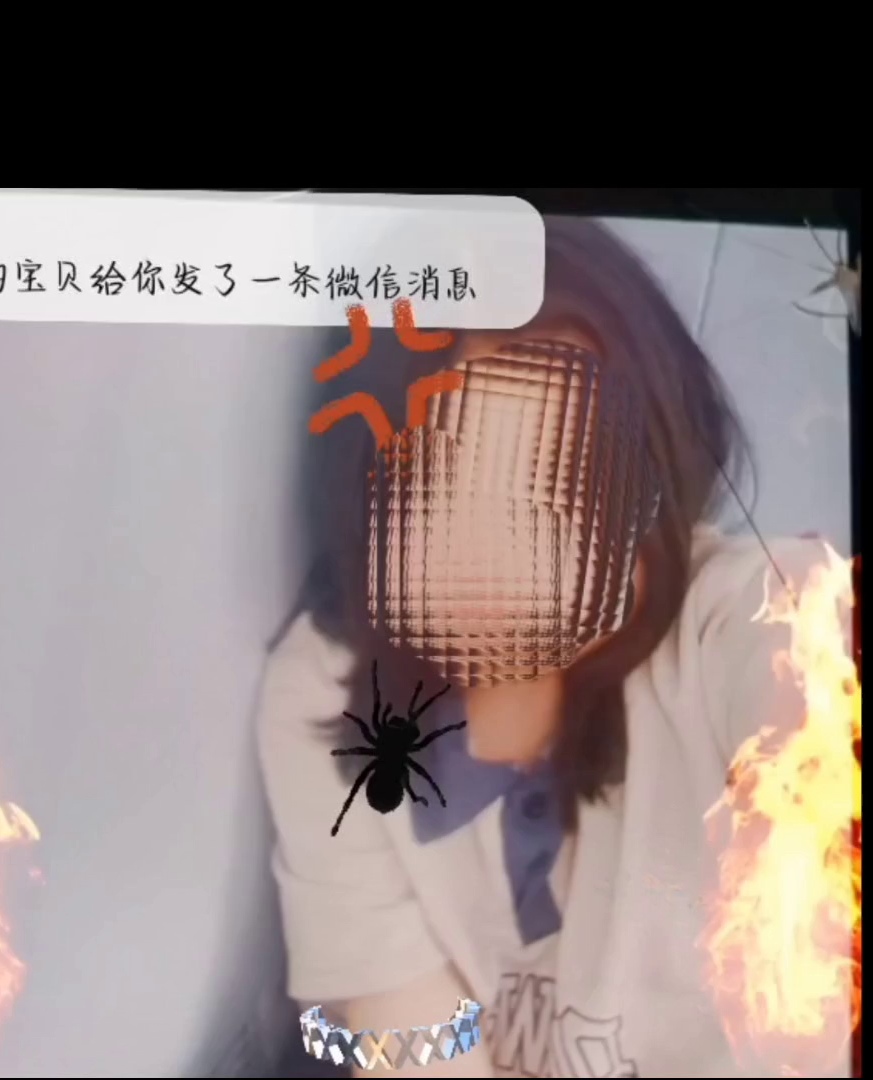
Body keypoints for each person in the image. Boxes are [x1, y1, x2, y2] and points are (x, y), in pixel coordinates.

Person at [258, 217, 846, 1078]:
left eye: (573, 487)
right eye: (449, 483)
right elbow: (410, 1038)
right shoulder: (328, 694)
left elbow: (802, 655)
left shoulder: (741, 621)